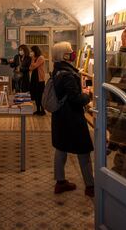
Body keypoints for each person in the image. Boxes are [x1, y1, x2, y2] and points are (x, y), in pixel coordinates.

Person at [51, 41, 94, 197]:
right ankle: (90, 185)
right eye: (70, 51)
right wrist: (87, 96)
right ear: (64, 55)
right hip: (72, 117)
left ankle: (60, 182)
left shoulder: (57, 70)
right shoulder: (68, 74)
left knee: (61, 148)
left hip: (60, 116)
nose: (73, 52)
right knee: (83, 149)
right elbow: (75, 98)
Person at [29, 45, 46, 115]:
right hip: (34, 78)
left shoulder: (40, 58)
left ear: (35, 51)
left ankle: (43, 110)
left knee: (40, 95)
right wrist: (33, 60)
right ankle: (38, 110)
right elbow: (30, 68)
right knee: (35, 95)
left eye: (32, 51)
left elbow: (35, 65)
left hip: (40, 79)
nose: (31, 52)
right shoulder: (34, 58)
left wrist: (32, 59)